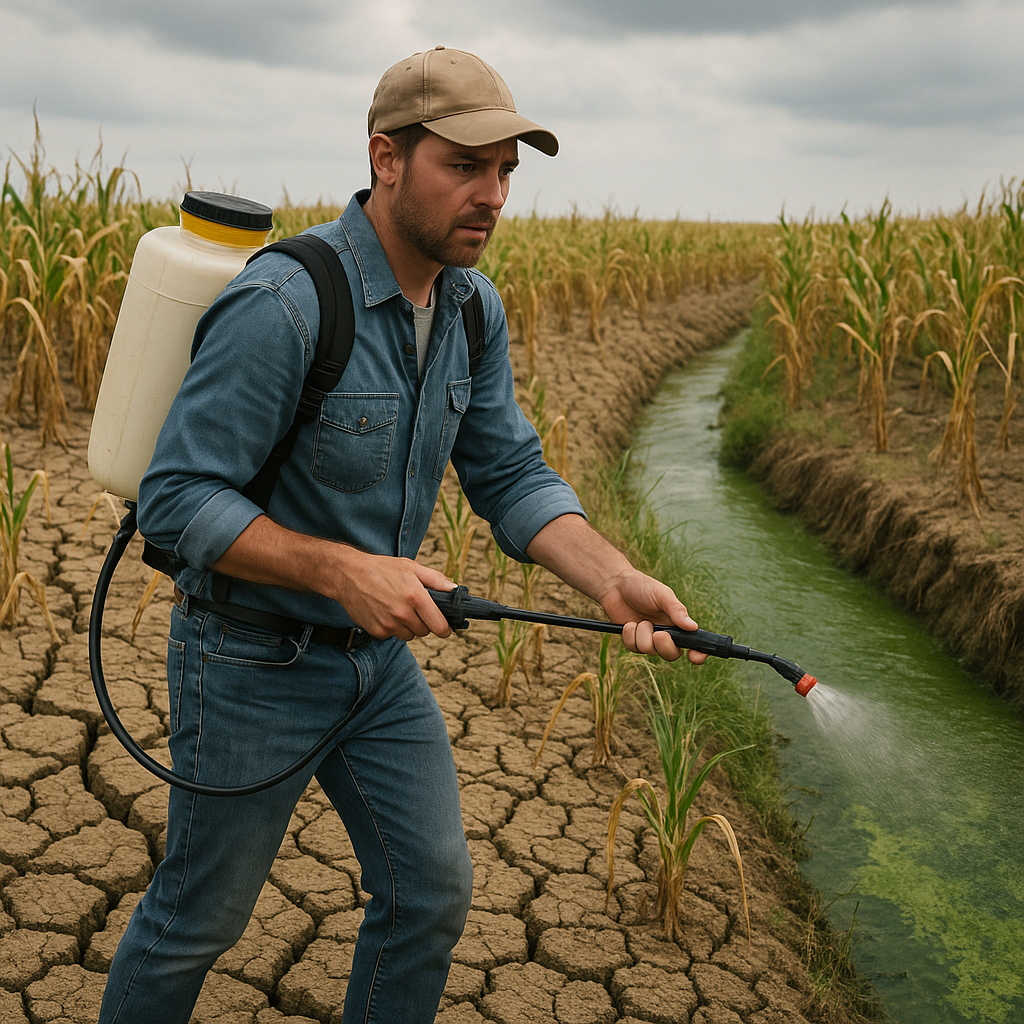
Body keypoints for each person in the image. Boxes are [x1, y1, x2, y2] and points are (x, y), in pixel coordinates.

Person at [99, 46, 706, 1024]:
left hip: (375, 668)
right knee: (197, 920)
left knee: (429, 894)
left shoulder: (470, 310)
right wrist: (342, 571)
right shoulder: (285, 304)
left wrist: (612, 578)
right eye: (464, 165)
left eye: (504, 170)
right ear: (386, 158)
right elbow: (175, 498)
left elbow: (510, 474)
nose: (492, 195)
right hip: (249, 659)